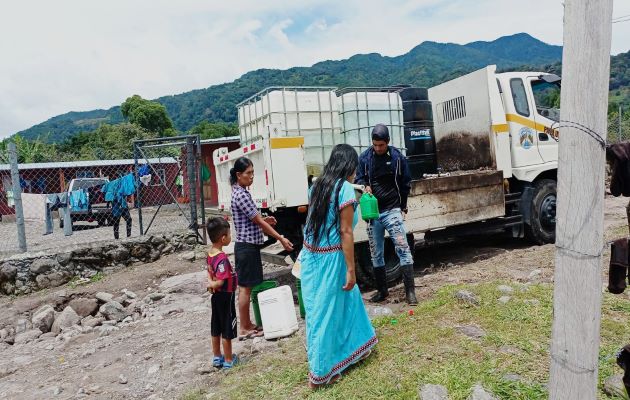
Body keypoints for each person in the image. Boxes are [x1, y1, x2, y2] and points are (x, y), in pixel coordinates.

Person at [301, 144, 377, 388]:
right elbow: (345, 231)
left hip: (311, 256)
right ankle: (321, 373)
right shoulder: (343, 190)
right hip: (330, 259)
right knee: (325, 313)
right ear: (349, 166)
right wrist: (351, 269)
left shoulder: (317, 185)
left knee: (347, 303)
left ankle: (360, 347)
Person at [230, 157, 294, 339]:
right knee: (245, 288)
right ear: (238, 175)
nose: (251, 177)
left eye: (252, 172)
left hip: (247, 246)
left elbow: (251, 221)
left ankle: (247, 324)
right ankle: (243, 327)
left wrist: (265, 221)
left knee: (246, 286)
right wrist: (280, 237)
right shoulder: (241, 194)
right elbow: (257, 220)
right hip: (246, 247)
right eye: (248, 173)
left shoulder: (240, 192)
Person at [355, 123, 417, 305]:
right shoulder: (365, 158)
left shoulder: (398, 158)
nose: (378, 148)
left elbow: (406, 183)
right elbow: (359, 178)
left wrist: (403, 206)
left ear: (387, 142)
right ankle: (382, 292)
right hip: (373, 213)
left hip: (392, 211)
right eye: (375, 145)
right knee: (376, 254)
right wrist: (363, 185)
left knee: (403, 249)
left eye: (381, 145)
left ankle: (410, 293)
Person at [206, 217, 239, 369]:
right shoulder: (222, 259)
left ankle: (216, 357)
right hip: (226, 296)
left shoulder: (210, 254)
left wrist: (210, 283)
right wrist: (213, 284)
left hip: (216, 297)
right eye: (229, 234)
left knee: (216, 327)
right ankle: (228, 359)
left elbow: (209, 272)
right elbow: (220, 281)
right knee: (226, 327)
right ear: (223, 238)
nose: (231, 237)